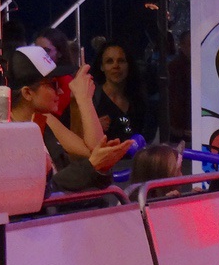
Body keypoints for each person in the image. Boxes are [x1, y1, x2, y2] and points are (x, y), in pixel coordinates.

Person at [8, 45, 132, 192]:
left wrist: (84, 99)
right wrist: (92, 165)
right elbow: (38, 190)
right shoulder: (6, 134)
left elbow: (94, 151)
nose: (61, 91)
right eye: (53, 84)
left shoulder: (42, 119)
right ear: (27, 93)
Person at [91, 41, 152, 141]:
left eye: (121, 61)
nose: (116, 66)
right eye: (109, 61)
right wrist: (93, 127)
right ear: (102, 67)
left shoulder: (138, 99)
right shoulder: (90, 99)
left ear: (129, 65)